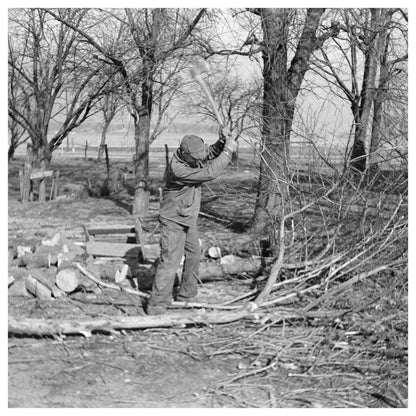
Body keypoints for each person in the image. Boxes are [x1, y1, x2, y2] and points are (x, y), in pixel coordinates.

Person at [146, 130, 237, 315]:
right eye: (195, 157)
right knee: (170, 260)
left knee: (195, 254)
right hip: (173, 219)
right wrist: (228, 151)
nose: (199, 159)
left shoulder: (190, 157)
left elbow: (208, 153)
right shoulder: (178, 169)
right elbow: (210, 172)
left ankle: (187, 295)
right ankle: (157, 304)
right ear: (184, 154)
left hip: (187, 216)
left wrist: (221, 141)